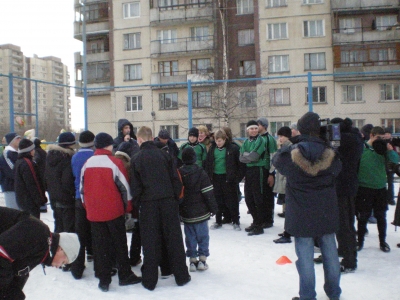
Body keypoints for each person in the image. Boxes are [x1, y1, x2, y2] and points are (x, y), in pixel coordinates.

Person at [272, 112, 342, 300]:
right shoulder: (330, 152)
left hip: (301, 211)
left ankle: (307, 295)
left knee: (304, 258)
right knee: (330, 253)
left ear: (300, 129)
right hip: (326, 209)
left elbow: (276, 160)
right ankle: (334, 293)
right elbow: (338, 169)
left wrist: (293, 142)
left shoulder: (292, 152)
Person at [131, 126, 190, 291]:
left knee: (150, 242)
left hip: (148, 203)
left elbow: (135, 188)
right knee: (174, 240)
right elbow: (176, 180)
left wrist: (139, 203)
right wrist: (174, 198)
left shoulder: (136, 159)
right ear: (152, 138)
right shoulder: (165, 156)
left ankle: (149, 280)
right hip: (168, 202)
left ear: (140, 139)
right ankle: (181, 276)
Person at [80, 132, 141, 292]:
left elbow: (82, 189)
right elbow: (124, 188)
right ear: (108, 145)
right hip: (113, 211)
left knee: (100, 246)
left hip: (94, 212)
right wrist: (127, 208)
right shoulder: (114, 163)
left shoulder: (87, 163)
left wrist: (88, 207)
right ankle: (124, 274)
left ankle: (103, 279)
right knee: (119, 244)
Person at [0, 207, 80, 300]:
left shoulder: (41, 252)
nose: (59, 266)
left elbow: (17, 274)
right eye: (63, 262)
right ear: (61, 249)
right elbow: (2, 253)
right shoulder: (38, 233)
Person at [356, 126, 399, 253]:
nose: (380, 140)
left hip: (380, 187)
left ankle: (382, 241)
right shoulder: (362, 147)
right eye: (377, 137)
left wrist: (390, 151)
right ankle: (360, 241)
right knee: (363, 217)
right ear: (371, 135)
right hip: (364, 187)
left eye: (382, 138)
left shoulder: (384, 149)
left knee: (381, 216)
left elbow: (396, 161)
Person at [179, 147, 218, 272]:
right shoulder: (201, 172)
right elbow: (208, 192)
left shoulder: (179, 172)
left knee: (190, 237)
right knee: (203, 236)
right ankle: (202, 258)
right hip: (201, 211)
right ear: (195, 158)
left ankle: (192, 260)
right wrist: (213, 207)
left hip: (187, 213)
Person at [205, 129, 244, 230]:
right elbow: (209, 163)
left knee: (232, 201)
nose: (218, 143)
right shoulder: (212, 149)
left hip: (229, 179)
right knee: (218, 200)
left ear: (225, 139)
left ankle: (236, 221)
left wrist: (237, 178)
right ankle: (218, 221)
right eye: (217, 140)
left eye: (220, 141)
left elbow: (240, 165)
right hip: (216, 178)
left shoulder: (233, 149)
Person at [70, 130, 95, 280]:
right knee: (96, 230)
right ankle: (97, 258)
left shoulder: (75, 157)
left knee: (80, 232)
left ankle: (77, 267)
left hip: (79, 198)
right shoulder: (94, 155)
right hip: (93, 198)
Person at [239, 120, 267, 236]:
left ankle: (259, 225)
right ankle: (255, 221)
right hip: (249, 171)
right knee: (248, 198)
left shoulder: (261, 140)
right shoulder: (246, 142)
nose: (254, 130)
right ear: (247, 130)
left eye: (256, 128)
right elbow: (241, 157)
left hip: (258, 170)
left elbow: (255, 157)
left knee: (258, 198)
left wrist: (249, 156)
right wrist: (249, 156)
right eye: (251, 128)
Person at [45, 132, 76, 234]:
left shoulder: (49, 157)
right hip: (66, 199)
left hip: (54, 197)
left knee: (58, 226)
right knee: (68, 230)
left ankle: (56, 248)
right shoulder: (67, 158)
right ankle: (67, 250)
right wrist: (72, 194)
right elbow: (67, 181)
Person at [14, 139, 47, 219]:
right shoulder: (28, 164)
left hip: (23, 199)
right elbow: (33, 183)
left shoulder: (19, 162)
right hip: (30, 201)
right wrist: (41, 199)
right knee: (33, 224)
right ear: (30, 151)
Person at [256, 117, 278, 228]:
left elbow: (273, 157)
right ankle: (261, 217)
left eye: (258, 125)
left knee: (268, 196)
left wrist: (271, 173)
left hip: (266, 170)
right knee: (260, 195)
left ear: (264, 126)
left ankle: (269, 219)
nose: (256, 127)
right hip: (258, 170)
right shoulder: (256, 138)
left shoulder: (270, 139)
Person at [272, 126, 292, 244]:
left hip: (287, 181)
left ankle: (288, 233)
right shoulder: (284, 146)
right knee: (287, 207)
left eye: (281, 136)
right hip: (284, 180)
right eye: (279, 136)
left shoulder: (288, 147)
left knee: (289, 209)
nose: (279, 139)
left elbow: (278, 161)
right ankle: (288, 231)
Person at [0, 133, 21, 209]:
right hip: (10, 187)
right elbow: (11, 170)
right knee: (14, 212)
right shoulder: (7, 153)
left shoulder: (18, 153)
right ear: (11, 141)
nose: (19, 140)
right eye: (17, 138)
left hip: (19, 187)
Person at [31, 138, 48, 213]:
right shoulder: (43, 151)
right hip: (44, 173)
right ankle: (43, 205)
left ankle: (42, 206)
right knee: (42, 190)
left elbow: (36, 160)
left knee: (39, 190)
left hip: (39, 173)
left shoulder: (36, 152)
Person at [384, 128, 396, 206]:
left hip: (391, 165)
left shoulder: (394, 143)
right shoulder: (381, 143)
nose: (387, 135)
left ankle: (390, 198)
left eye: (389, 133)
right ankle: (384, 197)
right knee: (383, 182)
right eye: (386, 133)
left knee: (390, 182)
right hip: (383, 164)